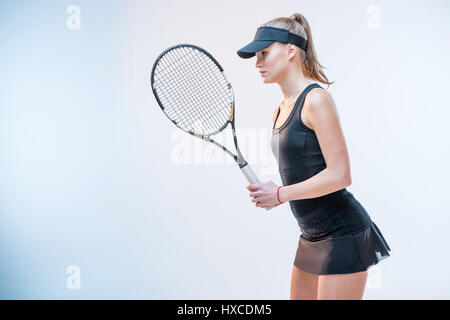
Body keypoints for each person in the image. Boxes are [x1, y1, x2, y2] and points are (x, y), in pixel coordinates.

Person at [237, 13, 391, 300]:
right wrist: (274, 192)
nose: (257, 64)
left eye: (264, 53)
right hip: (310, 236)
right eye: (256, 57)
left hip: (343, 234)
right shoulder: (280, 109)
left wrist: (281, 194)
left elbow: (340, 175)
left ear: (290, 50)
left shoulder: (316, 100)